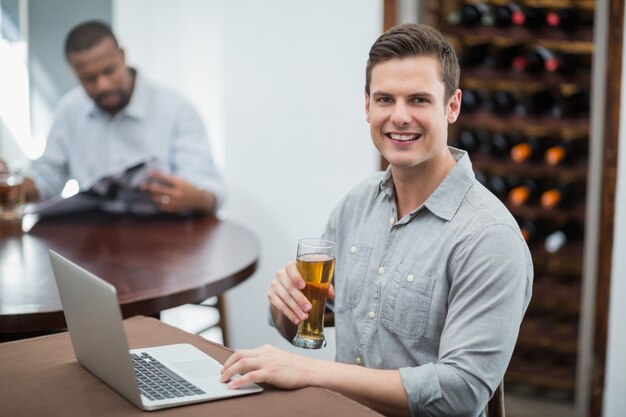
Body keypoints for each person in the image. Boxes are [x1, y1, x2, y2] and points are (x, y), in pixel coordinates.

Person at [220, 23, 533, 416]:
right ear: (367, 106)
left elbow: (461, 392)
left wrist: (310, 372)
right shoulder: (357, 205)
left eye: (418, 100)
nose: (399, 117)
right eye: (385, 99)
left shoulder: (490, 238)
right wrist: (287, 307)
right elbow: (317, 324)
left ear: (451, 106)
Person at [5, 20, 223, 214]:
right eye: (88, 78)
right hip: (93, 243)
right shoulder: (70, 109)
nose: (103, 85)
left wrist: (194, 198)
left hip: (167, 241)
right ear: (74, 73)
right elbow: (48, 177)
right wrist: (12, 185)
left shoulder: (176, 110)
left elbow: (209, 190)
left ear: (123, 56)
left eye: (109, 71)